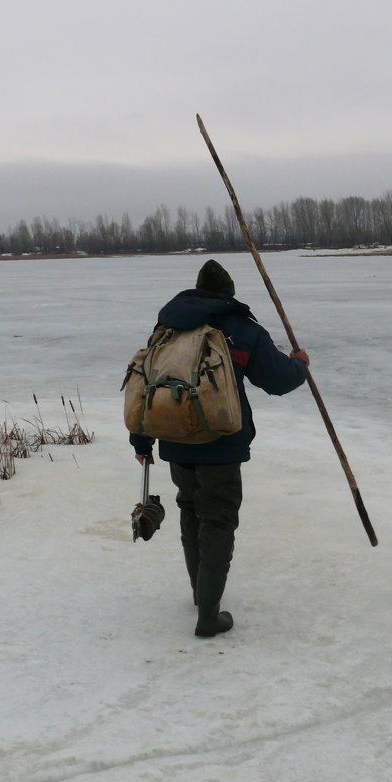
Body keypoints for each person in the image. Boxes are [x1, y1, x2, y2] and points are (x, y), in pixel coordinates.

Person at [130, 259, 309, 637]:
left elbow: (147, 386)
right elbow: (278, 380)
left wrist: (141, 440)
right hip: (221, 445)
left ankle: (200, 593)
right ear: (227, 293)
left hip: (175, 440)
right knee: (218, 520)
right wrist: (300, 364)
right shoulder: (241, 330)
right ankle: (209, 615)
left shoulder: (166, 329)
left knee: (191, 510)